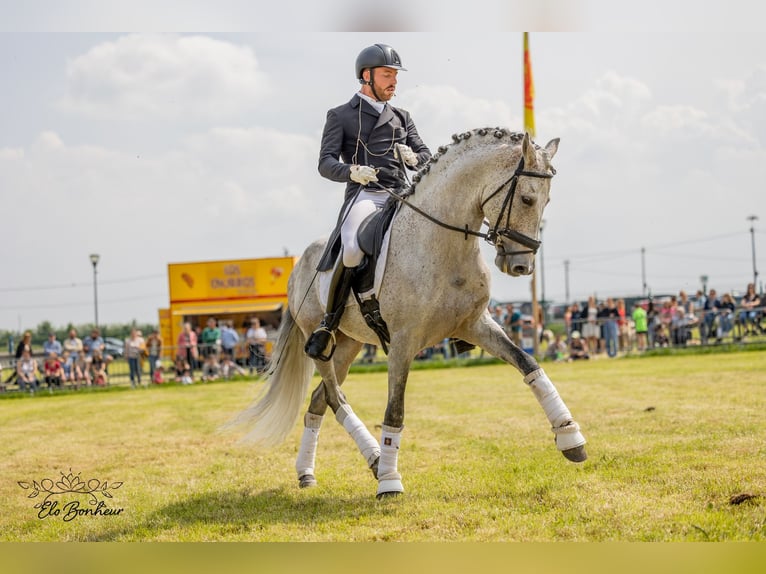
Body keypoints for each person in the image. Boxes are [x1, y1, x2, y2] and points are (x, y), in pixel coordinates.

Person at [304, 43, 432, 361]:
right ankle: (329, 323)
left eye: (395, 76)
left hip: (401, 195)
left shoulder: (402, 116)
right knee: (350, 249)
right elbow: (325, 163)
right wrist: (352, 171)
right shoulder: (341, 115)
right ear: (366, 76)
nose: (394, 82)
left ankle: (454, 319)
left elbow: (427, 156)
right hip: (365, 195)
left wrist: (415, 158)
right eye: (387, 74)